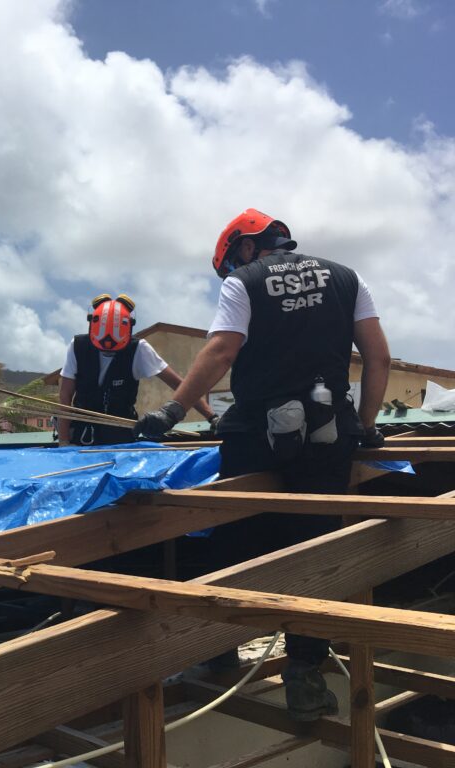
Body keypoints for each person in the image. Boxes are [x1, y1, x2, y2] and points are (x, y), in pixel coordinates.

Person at [135, 208, 390, 721]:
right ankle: (305, 678)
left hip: (256, 436)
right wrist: (364, 425)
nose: (231, 269)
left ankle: (216, 651)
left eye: (232, 260)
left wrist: (172, 409)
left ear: (247, 248)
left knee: (235, 538)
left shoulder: (243, 283)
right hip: (327, 435)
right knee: (316, 550)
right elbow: (378, 357)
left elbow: (223, 350)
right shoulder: (347, 277)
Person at [57, 293, 217, 446]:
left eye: (113, 350)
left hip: (120, 436)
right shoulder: (78, 347)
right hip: (81, 433)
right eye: (103, 349)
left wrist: (212, 417)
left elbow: (180, 385)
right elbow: (65, 396)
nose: (108, 352)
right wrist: (64, 442)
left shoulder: (139, 350)